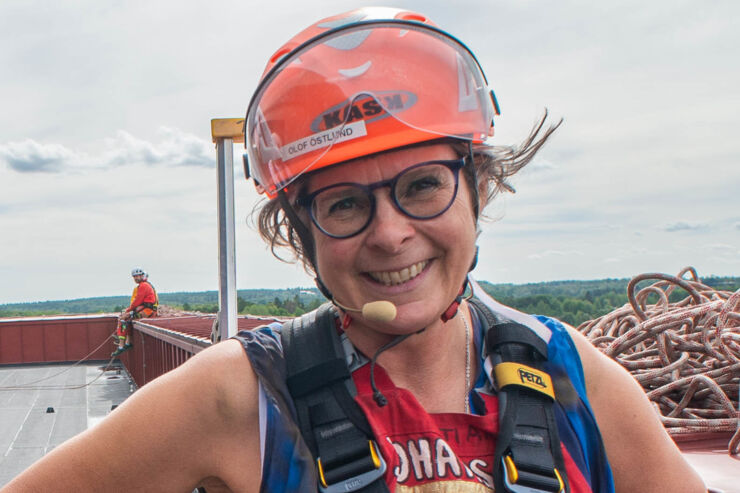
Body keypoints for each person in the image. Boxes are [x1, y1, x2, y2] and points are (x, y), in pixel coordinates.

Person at [3, 7, 706, 493]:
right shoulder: (240, 396)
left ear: (476, 190)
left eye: (423, 185)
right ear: (300, 233)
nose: (391, 232)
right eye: (344, 204)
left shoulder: (571, 381)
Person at [111, 267, 158, 357]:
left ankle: (121, 346)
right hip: (146, 309)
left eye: (138, 276)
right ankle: (127, 343)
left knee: (122, 320)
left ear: (142, 276)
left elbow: (137, 301)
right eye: (134, 277)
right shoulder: (146, 285)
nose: (136, 278)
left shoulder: (144, 286)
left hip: (147, 311)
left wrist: (128, 311)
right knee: (127, 319)